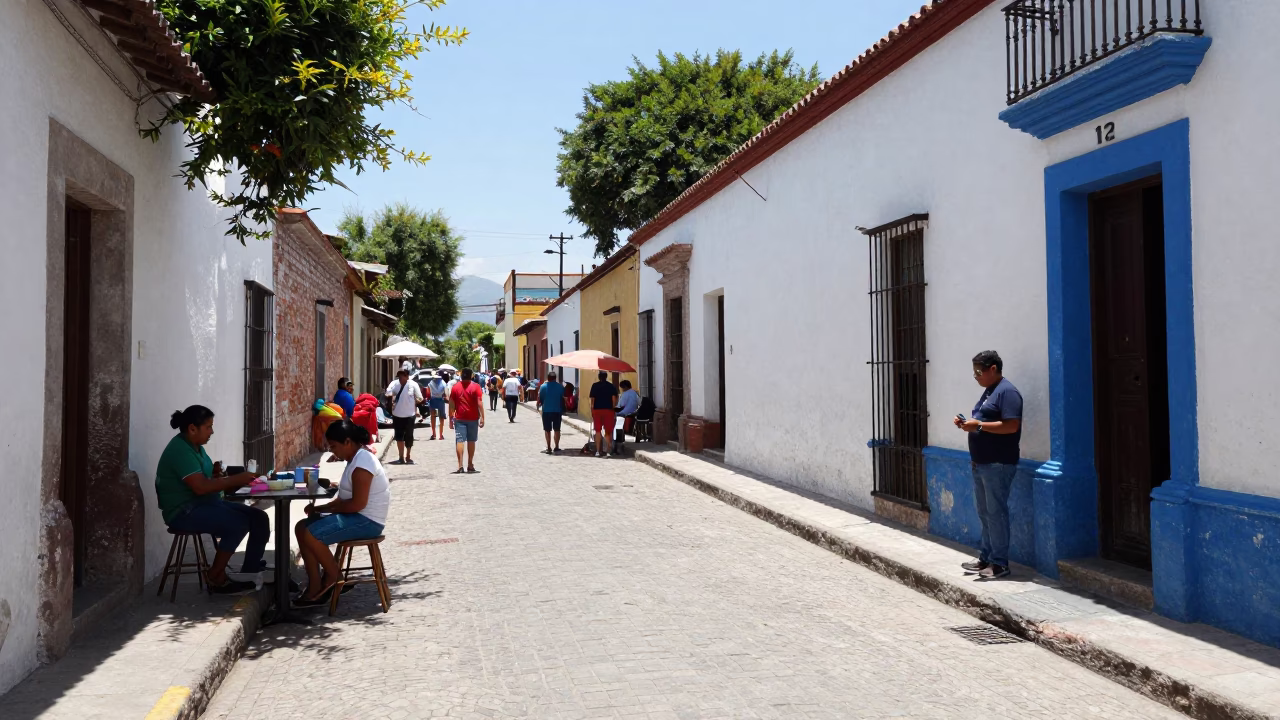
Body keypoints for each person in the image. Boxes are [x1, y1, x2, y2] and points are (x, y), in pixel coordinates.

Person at [156, 405, 269, 594]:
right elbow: (200, 487)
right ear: (192, 428)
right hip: (183, 511)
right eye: (208, 427)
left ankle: (250, 571)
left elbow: (204, 480)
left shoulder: (196, 447)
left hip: (204, 503)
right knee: (238, 523)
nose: (212, 432)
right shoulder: (179, 450)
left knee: (259, 518)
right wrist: (236, 479)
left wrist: (216, 475)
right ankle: (216, 576)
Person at [292, 419, 391, 608]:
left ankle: (333, 577)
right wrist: (320, 509)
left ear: (347, 442)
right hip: (357, 516)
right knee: (301, 526)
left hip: (367, 521)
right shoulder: (353, 460)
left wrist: (328, 509)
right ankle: (315, 584)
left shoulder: (363, 463)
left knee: (311, 534)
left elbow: (356, 504)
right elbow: (343, 499)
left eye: (334, 446)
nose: (332, 451)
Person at [955, 350, 1023, 581]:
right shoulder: (989, 392)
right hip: (982, 463)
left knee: (996, 513)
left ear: (993, 369)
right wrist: (967, 424)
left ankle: (1000, 563)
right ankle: (986, 557)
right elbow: (982, 422)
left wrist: (980, 426)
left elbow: (1011, 426)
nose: (975, 376)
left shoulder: (1008, 392)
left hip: (998, 464)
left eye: (978, 371)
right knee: (985, 513)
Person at [448, 368, 486, 474]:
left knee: (460, 440)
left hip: (459, 418)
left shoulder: (455, 387)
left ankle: (460, 465)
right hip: (473, 418)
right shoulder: (476, 387)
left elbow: (451, 404)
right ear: (471, 376)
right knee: (471, 441)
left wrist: (451, 418)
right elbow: (479, 403)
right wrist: (483, 417)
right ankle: (470, 464)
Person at [385, 368, 423, 464]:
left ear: (407, 376)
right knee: (399, 436)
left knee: (409, 436)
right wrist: (392, 396)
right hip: (397, 414)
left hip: (410, 415)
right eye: (399, 376)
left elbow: (420, 397)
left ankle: (408, 455)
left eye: (402, 376)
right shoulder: (394, 384)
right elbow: (387, 393)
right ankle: (401, 457)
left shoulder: (413, 385)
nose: (400, 378)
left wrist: (416, 401)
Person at [588, 371, 619, 457]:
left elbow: (592, 400)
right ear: (606, 377)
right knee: (608, 431)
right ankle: (608, 451)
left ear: (599, 377)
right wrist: (613, 408)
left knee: (597, 431)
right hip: (608, 410)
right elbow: (614, 399)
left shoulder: (594, 386)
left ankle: (598, 451)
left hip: (597, 410)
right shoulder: (611, 386)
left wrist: (592, 411)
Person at [537, 371, 565, 454]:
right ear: (555, 378)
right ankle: (556, 446)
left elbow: (541, 399)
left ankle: (549, 447)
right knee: (557, 429)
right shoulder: (560, 387)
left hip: (546, 411)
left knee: (547, 430)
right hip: (557, 410)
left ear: (548, 378)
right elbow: (562, 397)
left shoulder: (543, 387)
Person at [425, 372, 449, 441]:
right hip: (440, 401)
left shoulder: (430, 383)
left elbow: (428, 393)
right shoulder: (444, 383)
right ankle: (441, 435)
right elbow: (446, 394)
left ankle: (434, 434)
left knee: (433, 417)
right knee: (441, 418)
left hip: (433, 401)